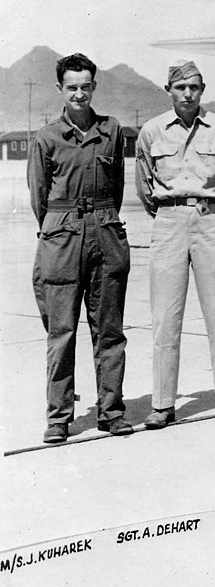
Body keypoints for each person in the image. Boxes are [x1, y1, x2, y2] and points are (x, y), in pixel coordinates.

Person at [135, 60, 215, 429]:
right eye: (180, 88)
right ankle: (163, 404)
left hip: (211, 220)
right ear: (169, 90)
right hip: (169, 222)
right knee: (165, 316)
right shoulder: (151, 131)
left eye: (195, 88)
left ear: (202, 90)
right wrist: (170, 213)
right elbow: (144, 182)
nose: (188, 94)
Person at [28, 52, 132, 443]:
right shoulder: (47, 138)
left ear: (94, 86)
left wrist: (98, 221)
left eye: (85, 86)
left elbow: (117, 188)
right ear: (61, 89)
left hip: (105, 234)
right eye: (71, 87)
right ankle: (59, 417)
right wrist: (62, 228)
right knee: (62, 332)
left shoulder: (112, 130)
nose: (79, 93)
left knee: (109, 330)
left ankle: (112, 411)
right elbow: (40, 197)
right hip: (61, 238)